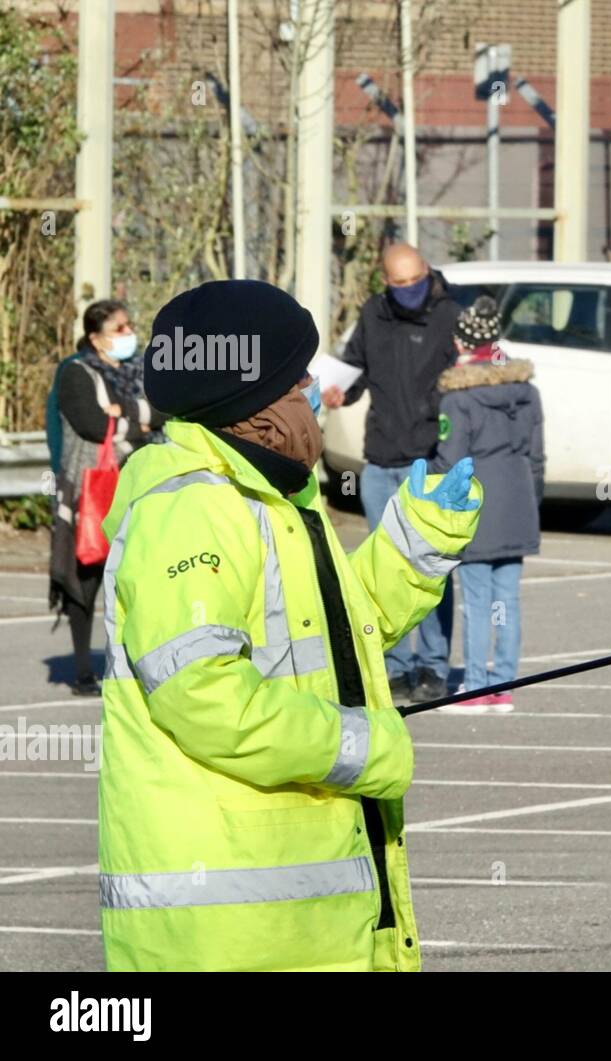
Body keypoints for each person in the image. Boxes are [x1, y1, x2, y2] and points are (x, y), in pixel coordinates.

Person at [98, 280, 481, 971]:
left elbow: (338, 638)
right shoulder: (193, 507)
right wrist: (360, 745)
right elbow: (203, 694)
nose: (313, 389)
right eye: (297, 377)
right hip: (235, 932)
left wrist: (418, 539)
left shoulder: (272, 496)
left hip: (306, 916)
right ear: (252, 402)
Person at [323, 242, 460, 705]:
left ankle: (434, 666)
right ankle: (396, 666)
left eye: (414, 281)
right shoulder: (373, 315)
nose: (407, 291)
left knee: (431, 566)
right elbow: (355, 369)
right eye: (397, 284)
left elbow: (468, 377)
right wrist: (340, 391)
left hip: (429, 457)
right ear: (386, 281)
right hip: (380, 457)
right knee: (386, 568)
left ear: (426, 272)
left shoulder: (449, 316)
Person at [432, 296, 544, 715]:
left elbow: (451, 462)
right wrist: (532, 505)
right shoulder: (527, 391)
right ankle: (505, 686)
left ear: (462, 344)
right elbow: (537, 458)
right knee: (506, 601)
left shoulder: (458, 398)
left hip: (478, 505)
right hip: (517, 501)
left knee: (477, 601)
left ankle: (475, 686)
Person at [48, 300, 163, 696]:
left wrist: (127, 413)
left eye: (129, 325)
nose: (129, 333)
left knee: (141, 577)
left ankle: (137, 662)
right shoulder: (76, 373)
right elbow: (94, 425)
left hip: (139, 484)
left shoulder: (139, 371)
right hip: (90, 488)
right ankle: (82, 669)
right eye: (119, 328)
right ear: (96, 338)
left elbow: (164, 411)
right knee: (87, 575)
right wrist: (141, 423)